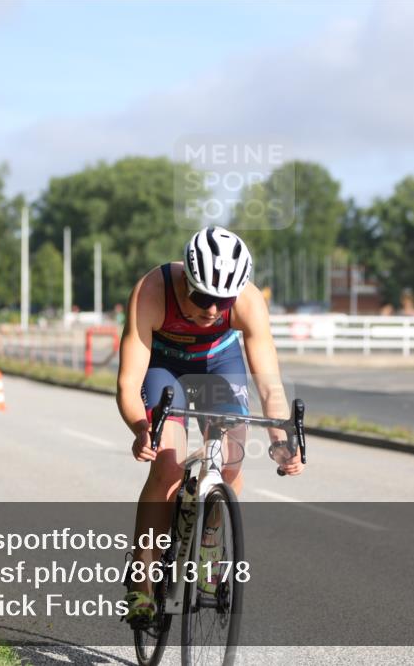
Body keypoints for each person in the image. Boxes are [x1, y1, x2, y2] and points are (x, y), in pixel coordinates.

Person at [116, 226, 303, 622]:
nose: (214, 310)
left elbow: (269, 385)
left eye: (224, 300)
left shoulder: (248, 302)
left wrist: (281, 440)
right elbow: (128, 383)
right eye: (203, 298)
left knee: (231, 461)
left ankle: (211, 547)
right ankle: (142, 575)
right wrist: (139, 427)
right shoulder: (152, 290)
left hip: (219, 363)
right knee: (167, 462)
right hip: (164, 366)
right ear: (185, 278)